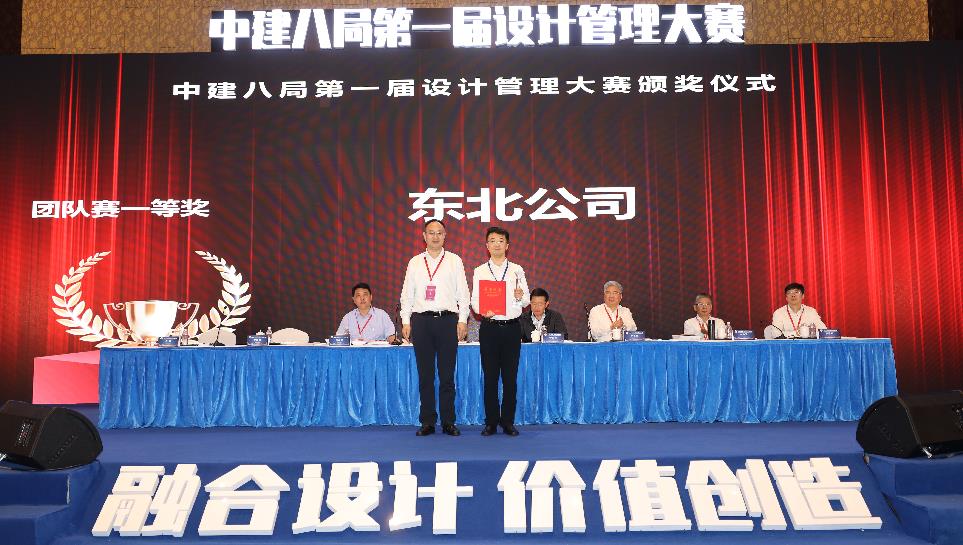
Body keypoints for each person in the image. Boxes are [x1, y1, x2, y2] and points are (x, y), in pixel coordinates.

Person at [399, 219, 471, 437]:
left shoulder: (454, 261)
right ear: (424, 236)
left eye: (439, 232)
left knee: (447, 376)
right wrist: (405, 321)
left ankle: (448, 421)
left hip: (448, 321)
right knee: (425, 375)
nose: (435, 236)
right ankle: (427, 421)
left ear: (445, 236)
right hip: (421, 321)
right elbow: (407, 295)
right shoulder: (415, 262)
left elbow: (463, 294)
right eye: (431, 232)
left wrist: (463, 320)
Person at [470, 226, 530, 436]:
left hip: (512, 328)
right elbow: (475, 300)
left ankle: (508, 421)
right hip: (490, 328)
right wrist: (482, 310)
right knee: (490, 378)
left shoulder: (517, 270)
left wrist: (520, 297)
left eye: (501, 240)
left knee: (510, 378)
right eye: (493, 241)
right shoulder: (480, 270)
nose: (497, 244)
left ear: (507, 245)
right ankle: (491, 422)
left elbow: (526, 300)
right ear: (487, 246)